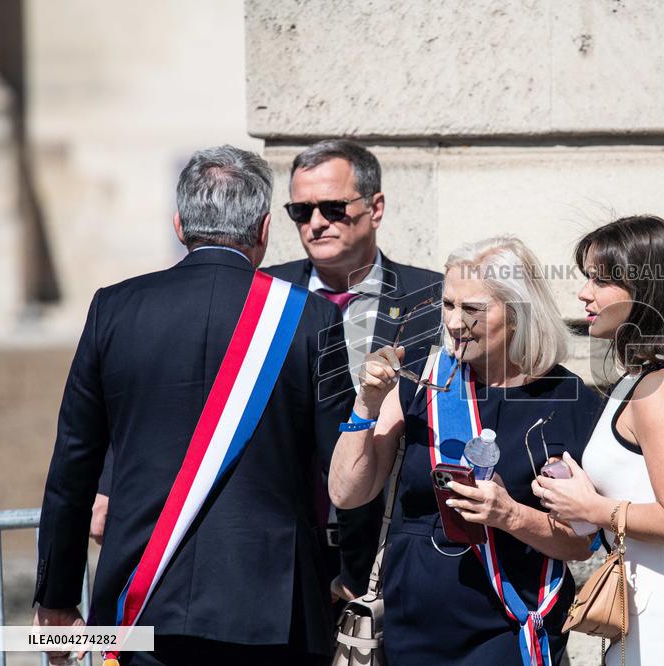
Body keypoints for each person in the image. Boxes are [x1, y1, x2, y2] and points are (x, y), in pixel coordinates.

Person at [33, 145, 353, 666]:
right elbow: (341, 466)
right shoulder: (310, 318)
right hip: (273, 606)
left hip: (140, 599)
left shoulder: (113, 308)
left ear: (179, 224)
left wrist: (57, 598)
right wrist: (354, 575)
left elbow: (73, 465)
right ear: (265, 230)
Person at [329, 236, 601, 665]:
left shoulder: (570, 401)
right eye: (448, 305)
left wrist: (510, 515)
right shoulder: (422, 380)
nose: (454, 323)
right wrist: (366, 404)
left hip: (508, 630)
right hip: (409, 629)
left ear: (516, 314)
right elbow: (347, 493)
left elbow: (581, 544)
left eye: (472, 309)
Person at [534, 215, 664, 665]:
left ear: (645, 291)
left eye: (600, 280)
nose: (583, 293)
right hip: (651, 628)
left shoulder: (662, 386)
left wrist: (590, 507)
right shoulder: (642, 380)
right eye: (586, 277)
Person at [266, 139, 443, 600]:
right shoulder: (260, 293)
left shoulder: (433, 299)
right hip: (283, 551)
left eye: (333, 207)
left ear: (375, 207)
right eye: (301, 212)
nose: (317, 223)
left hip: (394, 548)